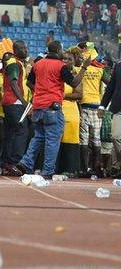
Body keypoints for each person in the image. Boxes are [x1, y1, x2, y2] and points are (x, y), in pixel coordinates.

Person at [16, 41, 90, 179]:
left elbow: (29, 82)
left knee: (38, 137)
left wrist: (40, 91)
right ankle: (48, 170)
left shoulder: (38, 64)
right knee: (52, 140)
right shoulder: (60, 66)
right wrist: (84, 67)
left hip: (38, 106)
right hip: (52, 108)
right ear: (58, 50)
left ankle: (26, 162)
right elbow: (74, 82)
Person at [78, 44, 109, 177]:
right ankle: (97, 169)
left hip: (84, 105)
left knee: (84, 139)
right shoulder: (101, 70)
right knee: (96, 139)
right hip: (97, 106)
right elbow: (110, 82)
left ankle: (84, 169)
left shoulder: (81, 68)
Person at [1, 40, 30, 176]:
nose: (25, 50)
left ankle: (6, 163)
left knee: (11, 133)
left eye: (25, 47)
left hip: (10, 102)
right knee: (21, 132)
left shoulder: (17, 63)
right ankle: (14, 162)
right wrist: (23, 101)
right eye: (22, 48)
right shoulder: (14, 63)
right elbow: (13, 83)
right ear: (15, 50)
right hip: (15, 102)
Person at [57, 48, 83, 175]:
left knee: (70, 140)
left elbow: (79, 95)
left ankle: (70, 169)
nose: (66, 61)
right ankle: (55, 168)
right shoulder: (57, 72)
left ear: (73, 62)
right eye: (64, 58)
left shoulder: (75, 74)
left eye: (69, 59)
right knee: (56, 139)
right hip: (57, 110)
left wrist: (62, 96)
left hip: (71, 112)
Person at [101, 50, 121, 176]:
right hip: (118, 108)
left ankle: (117, 166)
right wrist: (102, 105)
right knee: (115, 137)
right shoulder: (118, 65)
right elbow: (111, 87)